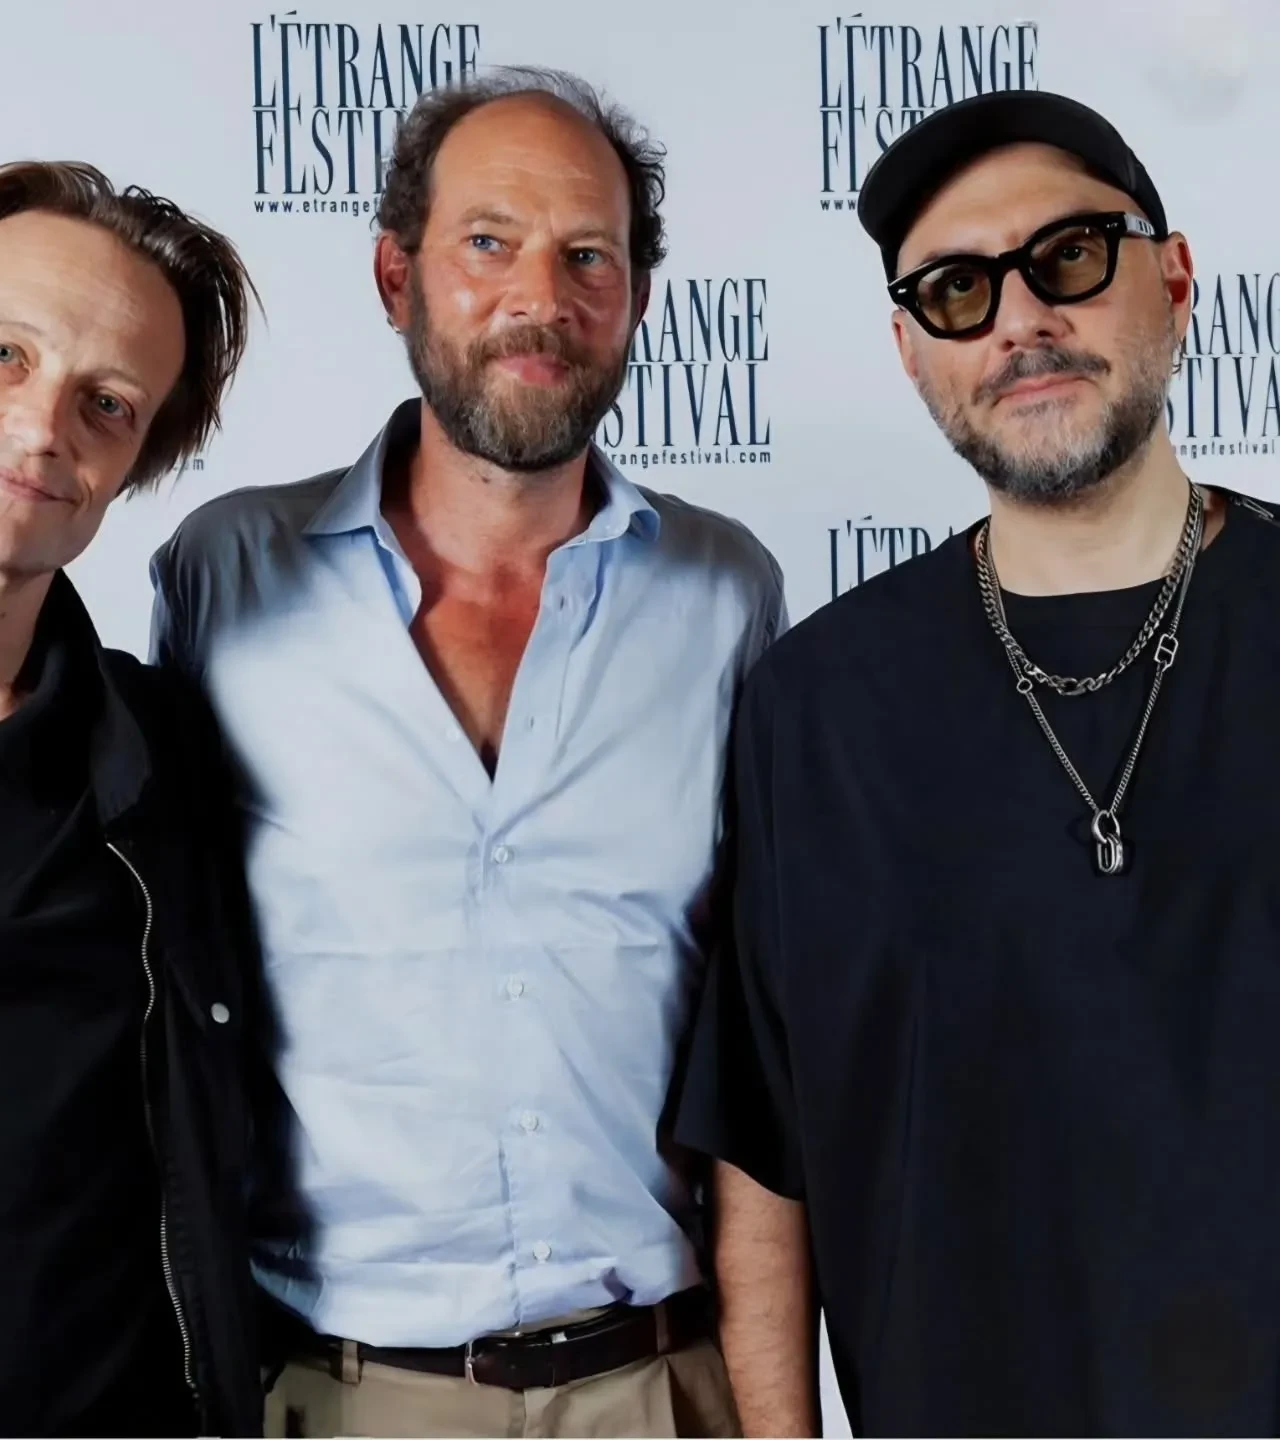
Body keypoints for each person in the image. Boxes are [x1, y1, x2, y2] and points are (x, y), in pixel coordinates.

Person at [150, 67, 785, 1440]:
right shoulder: (228, 576)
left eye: (588, 256)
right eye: (488, 242)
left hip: (659, 1387)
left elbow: (765, 1034)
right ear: (397, 275)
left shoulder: (725, 592)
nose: (539, 298)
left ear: (637, 297)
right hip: (336, 1391)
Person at [675, 87, 1280, 1437]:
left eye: (1070, 255)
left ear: (1176, 279)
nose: (1020, 319)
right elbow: (765, 1160)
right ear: (911, 352)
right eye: (957, 290)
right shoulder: (817, 708)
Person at [0, 161, 264, 1436]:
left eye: (107, 403)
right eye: (3, 354)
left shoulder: (177, 757)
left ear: (133, 464)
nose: (40, 427)